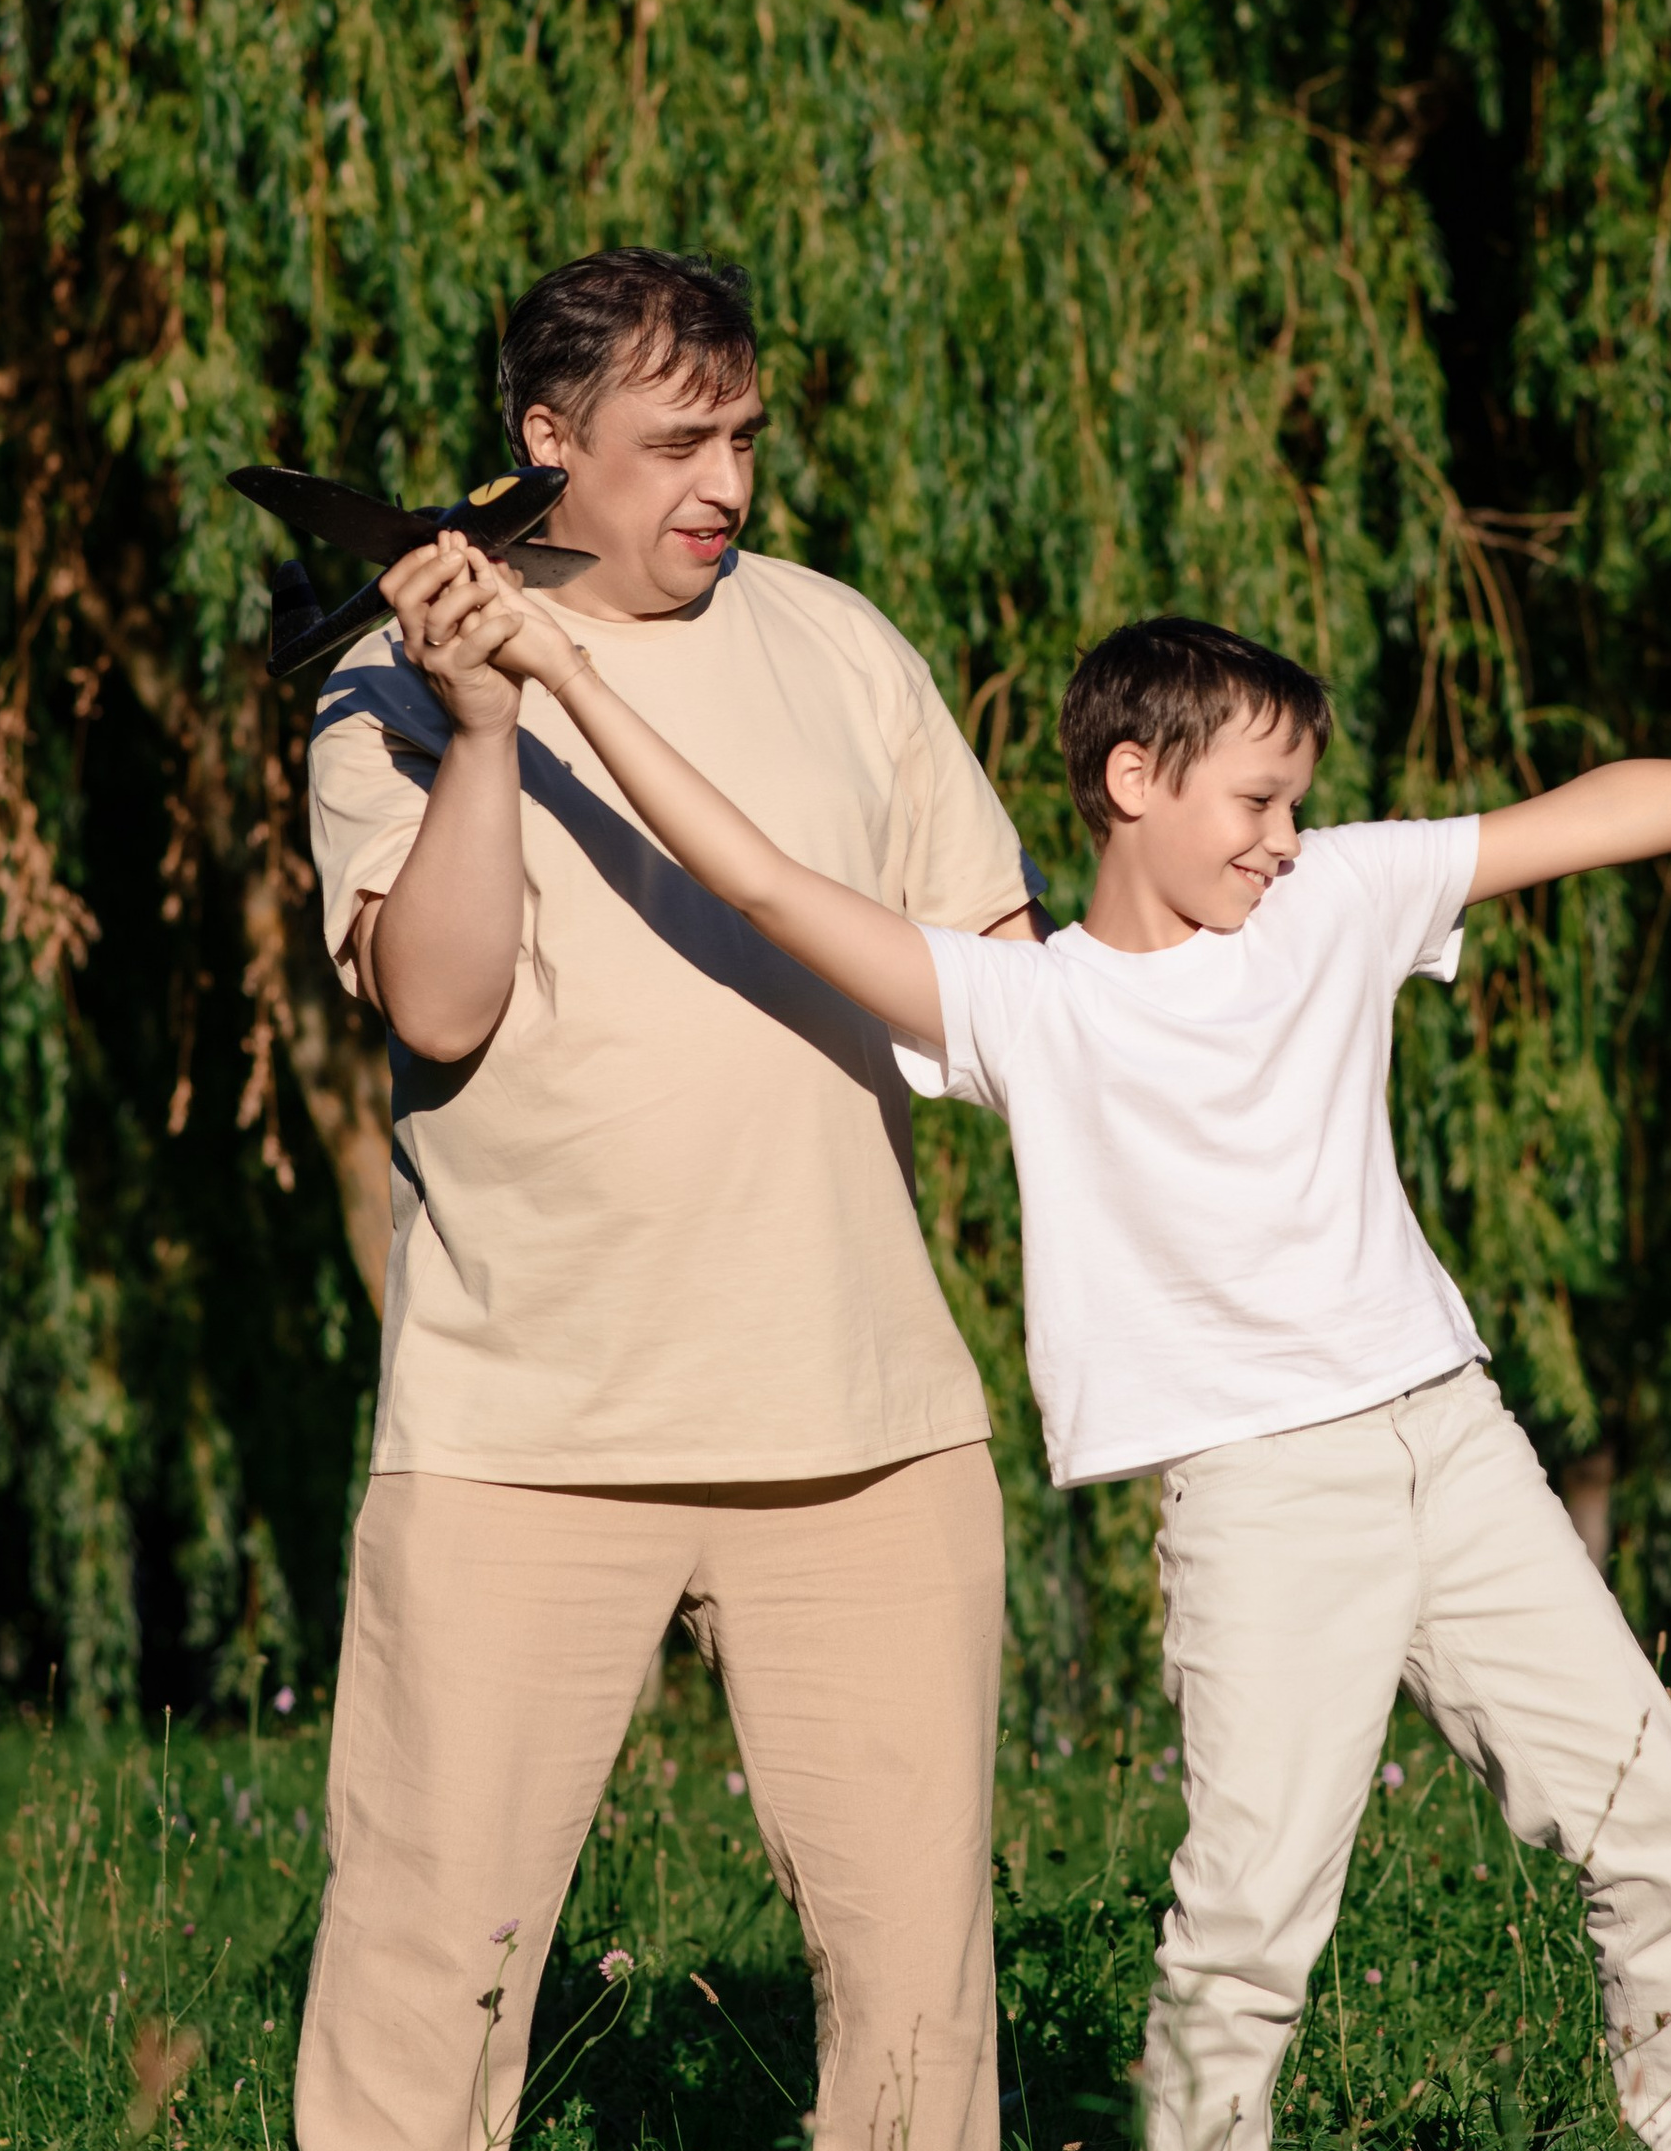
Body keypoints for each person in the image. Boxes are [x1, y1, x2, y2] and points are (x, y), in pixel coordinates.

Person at [426, 571, 1671, 2151]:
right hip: (1269, 1497)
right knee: (1249, 1931)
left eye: (1299, 805)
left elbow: (1603, 804)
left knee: (1658, 1831)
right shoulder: (1029, 1009)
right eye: (1258, 803)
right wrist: (564, 676)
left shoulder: (1338, 905)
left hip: (1455, 1440)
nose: (1288, 841)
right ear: (1133, 779)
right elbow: (768, 884)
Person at [294, 249, 1046, 2151]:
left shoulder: (839, 641)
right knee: (425, 1984)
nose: (725, 483)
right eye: (675, 441)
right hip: (520, 1433)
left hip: (862, 1425)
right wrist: (483, 730)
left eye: (745, 439)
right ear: (547, 445)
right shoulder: (386, 685)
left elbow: (1009, 979)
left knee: (921, 2012)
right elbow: (440, 1004)